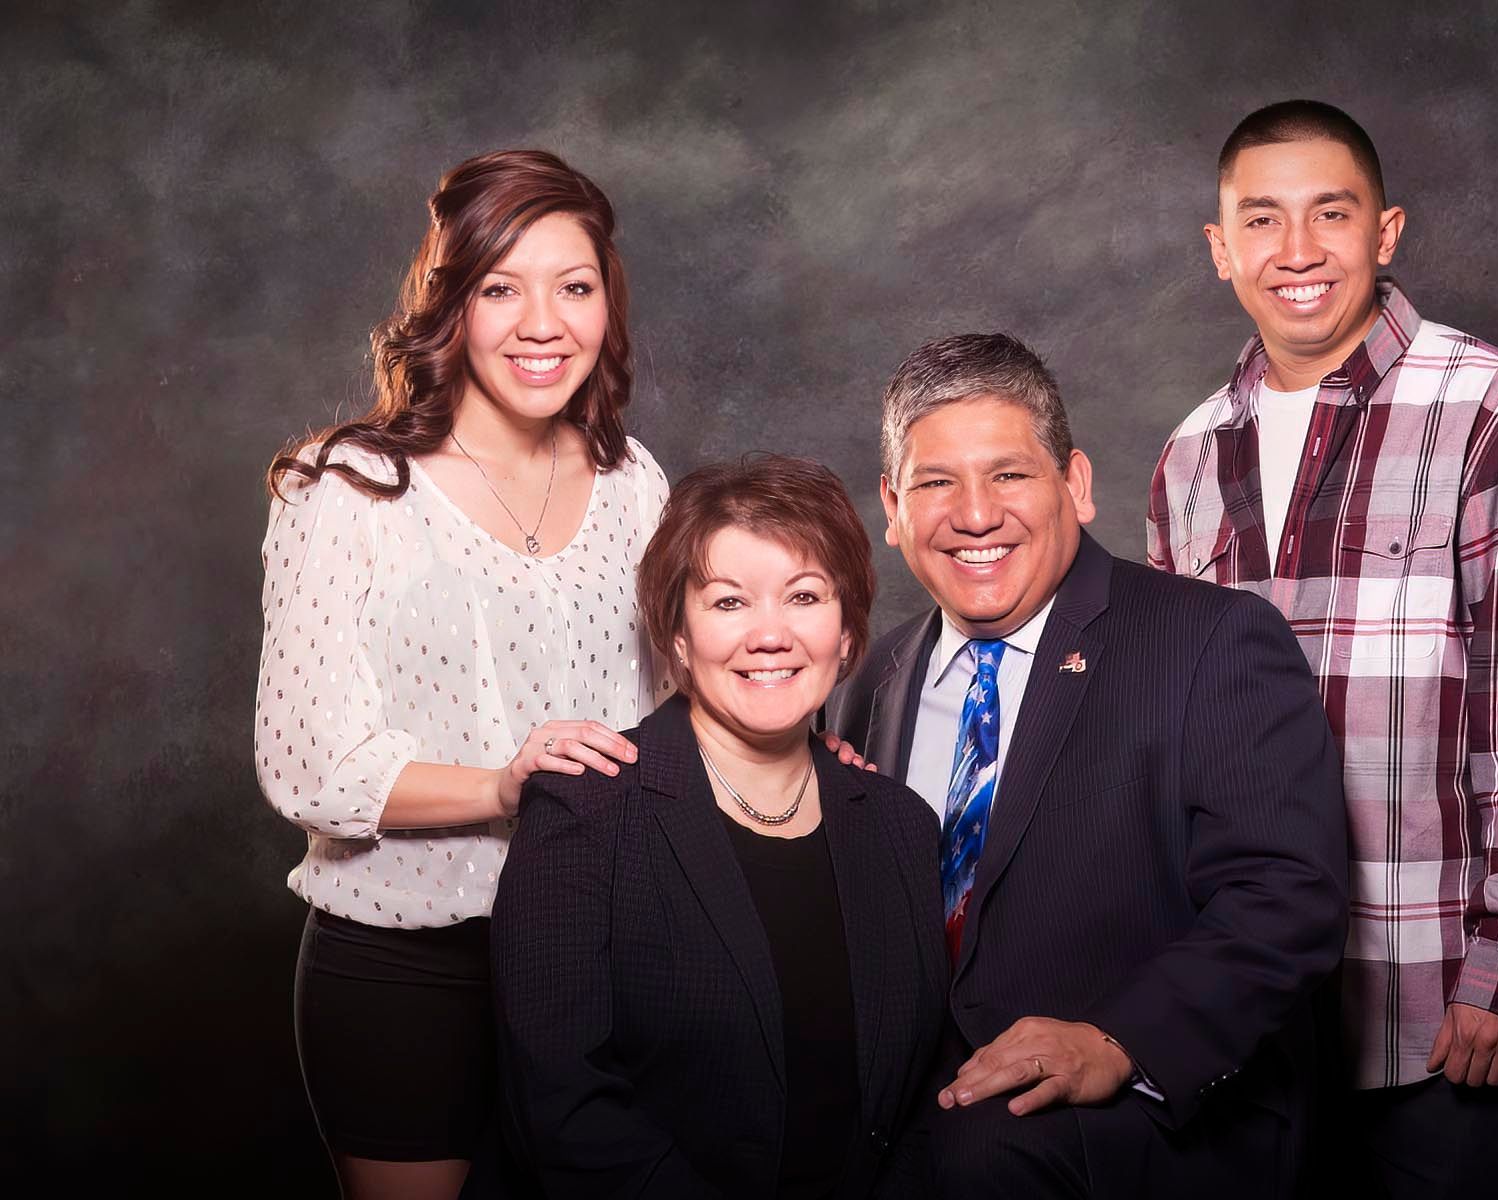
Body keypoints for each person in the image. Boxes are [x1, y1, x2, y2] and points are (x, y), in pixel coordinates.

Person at [1146, 100, 1498, 1196]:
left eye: (1332, 214)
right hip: (1249, 1014)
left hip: (1442, 1004)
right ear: (1221, 251)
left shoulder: (1489, 404)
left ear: (1387, 231)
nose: (1298, 251)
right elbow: (1173, 725)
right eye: (1262, 221)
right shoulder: (1189, 454)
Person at [826, 332, 1350, 1197]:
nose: (975, 514)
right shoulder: (866, 682)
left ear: (1075, 485)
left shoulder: (1210, 641)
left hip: (1146, 1116)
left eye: (1008, 475)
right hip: (918, 1108)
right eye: (935, 483)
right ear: (891, 504)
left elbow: (1287, 897)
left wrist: (1117, 1041)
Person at [255, 149, 670, 1199]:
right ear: (451, 304)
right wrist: (500, 787)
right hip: (407, 966)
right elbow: (310, 764)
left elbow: (676, 723)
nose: (544, 323)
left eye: (574, 288)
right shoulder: (347, 488)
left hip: (605, 952)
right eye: (501, 288)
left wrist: (796, 767)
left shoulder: (634, 485)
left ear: (606, 306)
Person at [485, 455, 947, 1199]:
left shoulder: (901, 829)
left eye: (804, 596)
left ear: (848, 634)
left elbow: (924, 1090)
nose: (771, 634)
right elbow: (561, 1110)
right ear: (676, 638)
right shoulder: (585, 812)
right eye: (729, 603)